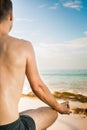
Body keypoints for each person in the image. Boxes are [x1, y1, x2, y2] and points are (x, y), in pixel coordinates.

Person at [0, 0, 71, 130]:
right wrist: (59, 106)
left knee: (30, 112)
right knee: (51, 112)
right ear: (10, 16)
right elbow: (38, 87)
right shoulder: (23, 46)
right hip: (9, 127)